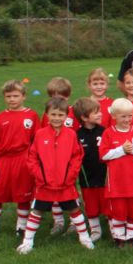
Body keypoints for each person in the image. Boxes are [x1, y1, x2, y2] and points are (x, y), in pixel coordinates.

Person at [17, 98, 94, 254]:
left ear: (66, 116)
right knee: (37, 211)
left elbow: (77, 157)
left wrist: (70, 176)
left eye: (60, 115)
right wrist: (40, 176)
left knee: (74, 210)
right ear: (47, 115)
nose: (56, 118)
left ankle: (85, 239)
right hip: (44, 184)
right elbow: (32, 158)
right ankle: (27, 242)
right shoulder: (39, 134)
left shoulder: (71, 135)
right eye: (53, 114)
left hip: (66, 184)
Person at [0, 80, 39, 239]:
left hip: (23, 159)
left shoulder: (32, 115)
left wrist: (33, 162)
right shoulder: (0, 117)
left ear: (23, 96)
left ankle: (21, 228)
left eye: (15, 96)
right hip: (4, 160)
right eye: (8, 96)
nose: (12, 99)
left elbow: (36, 141)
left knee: (23, 195)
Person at [100, 98, 133, 247]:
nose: (127, 119)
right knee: (118, 211)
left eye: (130, 116)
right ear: (114, 116)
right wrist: (121, 150)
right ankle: (119, 237)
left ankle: (132, 237)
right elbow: (103, 155)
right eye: (123, 116)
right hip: (116, 183)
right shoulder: (108, 133)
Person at [74, 97, 107, 243]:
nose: (100, 114)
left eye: (99, 111)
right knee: (91, 207)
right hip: (87, 178)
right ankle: (95, 230)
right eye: (96, 112)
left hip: (104, 176)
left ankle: (114, 229)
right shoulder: (77, 135)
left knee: (108, 205)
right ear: (84, 117)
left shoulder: (105, 132)